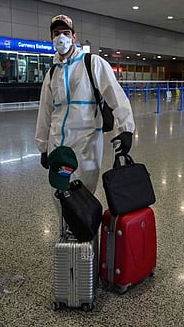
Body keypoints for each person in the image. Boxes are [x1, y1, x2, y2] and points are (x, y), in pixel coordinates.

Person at [35, 14, 135, 223]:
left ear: (74, 36)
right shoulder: (52, 72)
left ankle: (85, 239)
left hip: (86, 142)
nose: (61, 37)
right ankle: (66, 237)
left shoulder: (92, 63)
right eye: (56, 33)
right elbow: (45, 111)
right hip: (57, 144)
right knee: (58, 192)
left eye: (66, 33)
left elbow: (115, 95)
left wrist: (126, 128)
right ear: (51, 38)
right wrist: (43, 146)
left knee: (83, 193)